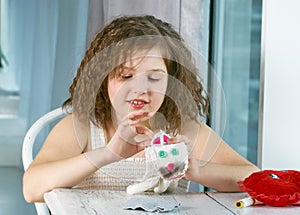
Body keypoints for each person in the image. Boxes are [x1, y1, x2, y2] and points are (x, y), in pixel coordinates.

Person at [23, 15, 260, 203]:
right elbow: (32, 188)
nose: (139, 89)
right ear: (103, 78)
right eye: (126, 76)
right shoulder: (82, 127)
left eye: (155, 78)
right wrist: (107, 154)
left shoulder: (183, 129)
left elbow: (255, 178)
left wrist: (195, 170)